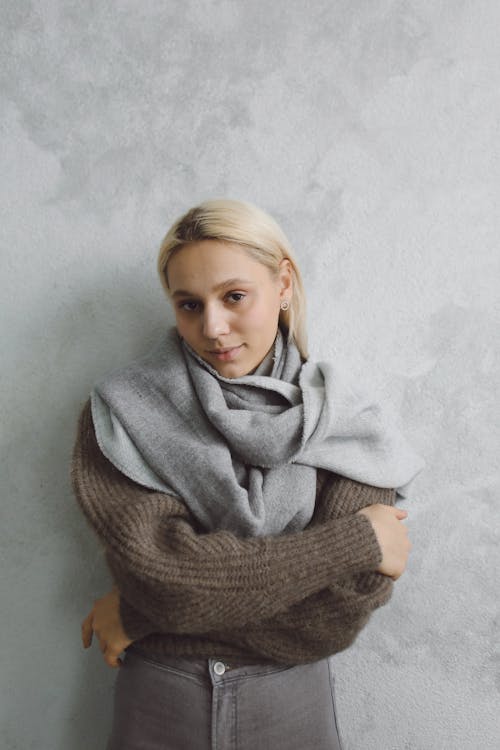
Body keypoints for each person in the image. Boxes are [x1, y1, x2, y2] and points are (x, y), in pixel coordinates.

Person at [71, 198, 424, 749]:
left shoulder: (346, 423)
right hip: (161, 699)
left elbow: (336, 613)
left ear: (283, 283)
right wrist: (355, 541)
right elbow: (163, 577)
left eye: (234, 296)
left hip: (290, 700)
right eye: (188, 305)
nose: (212, 327)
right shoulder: (124, 412)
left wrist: (142, 612)